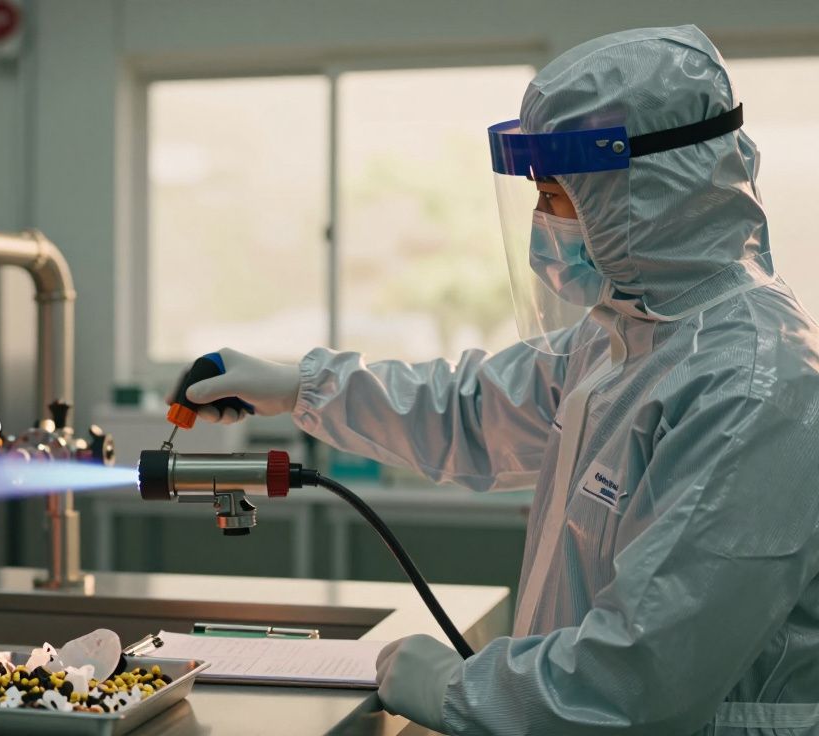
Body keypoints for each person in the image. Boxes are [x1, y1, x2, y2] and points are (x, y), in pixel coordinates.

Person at [182, 26, 819, 736]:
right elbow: (469, 411)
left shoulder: (753, 386)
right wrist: (300, 385)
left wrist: (457, 688)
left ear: (648, 194)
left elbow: (643, 680)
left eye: (556, 196)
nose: (543, 222)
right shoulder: (626, 336)